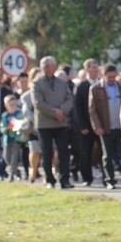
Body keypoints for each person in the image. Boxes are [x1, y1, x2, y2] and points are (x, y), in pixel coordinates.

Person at [31, 56, 75, 189]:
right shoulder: (37, 83)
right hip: (45, 124)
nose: (54, 68)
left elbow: (69, 99)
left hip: (60, 123)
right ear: (45, 67)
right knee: (47, 152)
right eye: (52, 65)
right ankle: (49, 179)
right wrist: (53, 112)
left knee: (63, 152)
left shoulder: (62, 83)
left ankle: (65, 179)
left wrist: (62, 111)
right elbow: (38, 103)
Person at [89, 64, 121, 189]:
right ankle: (109, 180)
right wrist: (97, 126)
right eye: (109, 77)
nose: (112, 79)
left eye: (114, 76)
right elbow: (92, 110)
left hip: (120, 127)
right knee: (107, 156)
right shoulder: (96, 89)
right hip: (106, 127)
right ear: (103, 75)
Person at [74, 58, 101, 187]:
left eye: (97, 67)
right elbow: (77, 107)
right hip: (86, 125)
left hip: (100, 125)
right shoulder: (82, 86)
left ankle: (106, 176)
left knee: (102, 152)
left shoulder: (101, 84)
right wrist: (82, 126)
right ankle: (86, 177)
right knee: (86, 152)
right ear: (87, 69)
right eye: (93, 67)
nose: (95, 70)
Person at [21, 68, 42, 183]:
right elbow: (27, 112)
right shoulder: (26, 96)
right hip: (33, 128)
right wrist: (36, 121)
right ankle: (33, 172)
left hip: (45, 126)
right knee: (34, 150)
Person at [0, 94, 25, 181]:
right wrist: (4, 129)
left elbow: (22, 123)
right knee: (6, 157)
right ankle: (16, 171)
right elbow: (1, 127)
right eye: (11, 105)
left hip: (16, 139)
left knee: (14, 157)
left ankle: (11, 175)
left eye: (15, 104)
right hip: (7, 139)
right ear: (6, 106)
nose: (13, 107)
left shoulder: (19, 114)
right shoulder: (5, 116)